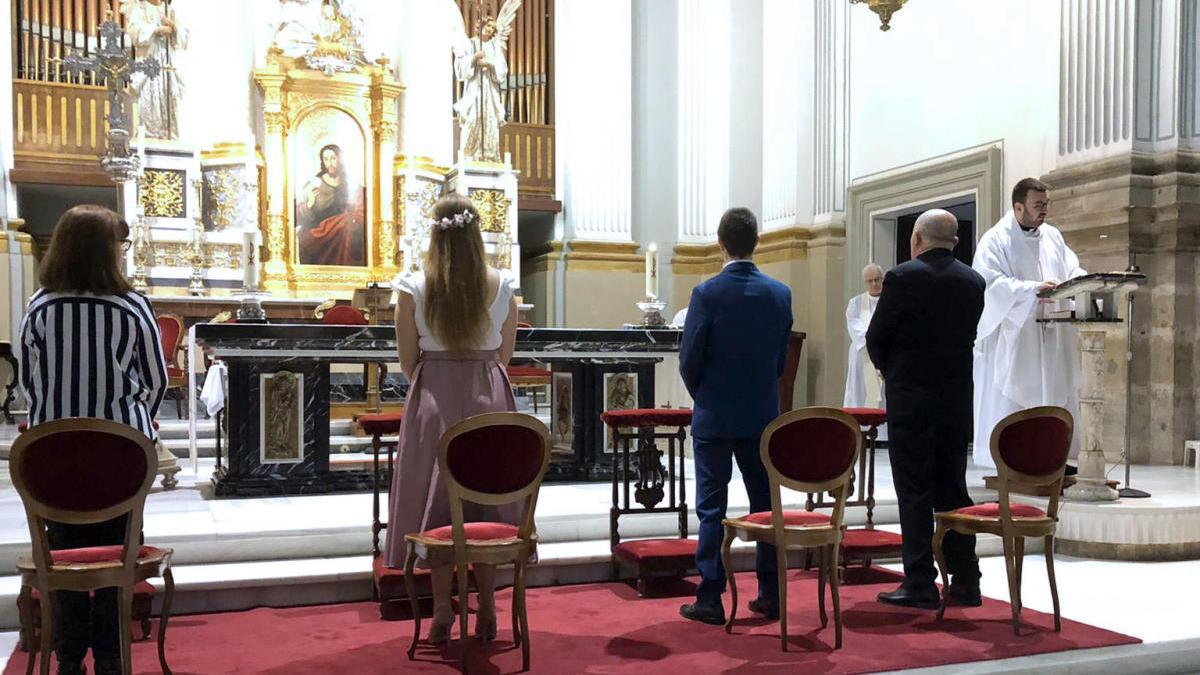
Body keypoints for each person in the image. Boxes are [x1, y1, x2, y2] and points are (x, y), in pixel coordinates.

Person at [19, 204, 168, 675]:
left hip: (54, 459)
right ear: (104, 253)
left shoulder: (40, 306)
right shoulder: (133, 306)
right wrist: (123, 410)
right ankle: (110, 657)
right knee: (118, 560)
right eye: (119, 247)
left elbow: (28, 383)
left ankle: (67, 660)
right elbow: (156, 380)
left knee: (61, 557)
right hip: (121, 456)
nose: (123, 255)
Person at [383, 193, 520, 644]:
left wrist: (441, 371)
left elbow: (406, 360)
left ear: (434, 234)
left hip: (434, 400)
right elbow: (504, 353)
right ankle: (489, 612)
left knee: (436, 506)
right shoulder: (503, 285)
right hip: (489, 396)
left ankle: (442, 611)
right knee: (483, 500)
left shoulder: (413, 287)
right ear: (477, 234)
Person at [678, 207, 793, 625]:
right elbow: (781, 359)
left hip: (715, 415)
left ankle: (710, 597)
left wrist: (704, 397)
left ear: (720, 242)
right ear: (756, 242)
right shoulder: (780, 293)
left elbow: (690, 358)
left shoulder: (707, 293)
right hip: (761, 415)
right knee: (765, 506)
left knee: (712, 507)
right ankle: (772, 594)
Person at [866, 209, 984, 609]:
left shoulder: (902, 276)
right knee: (953, 489)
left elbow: (877, 336)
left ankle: (919, 580)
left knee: (914, 490)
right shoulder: (973, 282)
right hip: (954, 405)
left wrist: (891, 371)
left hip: (912, 403)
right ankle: (966, 579)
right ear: (955, 242)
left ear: (917, 239)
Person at [972, 178, 1085, 468]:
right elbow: (989, 283)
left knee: (1054, 391)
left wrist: (1082, 282)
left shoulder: (1053, 236)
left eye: (1046, 204)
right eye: (1038, 205)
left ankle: (1052, 457)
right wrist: (1031, 289)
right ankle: (1013, 459)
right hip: (1017, 335)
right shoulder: (996, 239)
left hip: (1052, 335)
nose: (1044, 210)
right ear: (1018, 206)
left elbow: (1072, 269)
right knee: (1018, 394)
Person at [122, 0, 187, 140]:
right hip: (148, 68)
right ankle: (149, 138)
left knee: (170, 108)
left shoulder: (170, 10)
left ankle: (170, 137)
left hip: (167, 70)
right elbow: (134, 34)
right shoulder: (140, 9)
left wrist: (174, 28)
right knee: (149, 110)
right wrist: (156, 30)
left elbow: (184, 39)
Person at [296, 143, 365, 267]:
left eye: (333, 158)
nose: (330, 163)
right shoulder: (313, 184)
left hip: (343, 236)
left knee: (347, 227)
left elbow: (361, 211)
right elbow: (295, 218)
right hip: (317, 235)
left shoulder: (352, 185)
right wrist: (309, 204)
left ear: (340, 159)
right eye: (326, 159)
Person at [844, 263, 886, 432]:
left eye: (877, 279)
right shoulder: (855, 303)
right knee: (860, 390)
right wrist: (872, 341)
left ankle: (881, 434)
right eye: (870, 281)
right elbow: (854, 326)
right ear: (865, 282)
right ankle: (859, 429)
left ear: (882, 279)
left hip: (883, 353)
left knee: (881, 393)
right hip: (862, 353)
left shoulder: (890, 300)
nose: (874, 284)